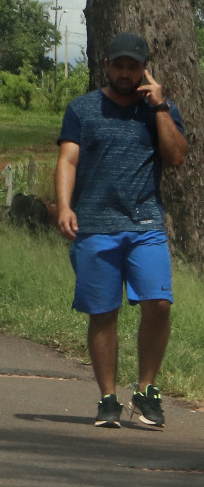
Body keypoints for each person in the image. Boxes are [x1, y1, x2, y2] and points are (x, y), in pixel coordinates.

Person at [55, 32, 187, 429]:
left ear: (144, 69)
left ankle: (146, 390)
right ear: (107, 66)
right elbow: (68, 160)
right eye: (119, 65)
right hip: (95, 226)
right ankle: (108, 398)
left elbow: (177, 156)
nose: (126, 73)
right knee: (103, 312)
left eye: (133, 66)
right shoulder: (83, 109)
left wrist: (160, 106)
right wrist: (63, 206)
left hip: (144, 223)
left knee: (159, 302)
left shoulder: (158, 109)